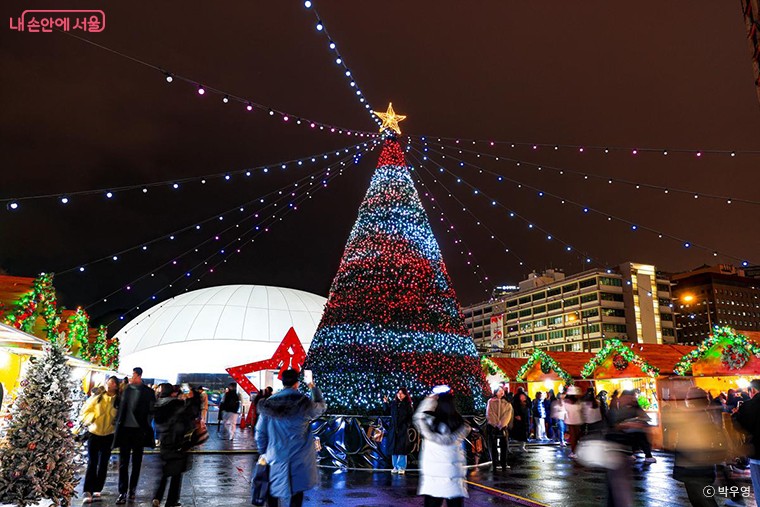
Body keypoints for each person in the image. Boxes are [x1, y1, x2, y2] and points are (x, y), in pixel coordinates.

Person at [255, 368, 326, 507]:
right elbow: (321, 407)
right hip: (299, 457)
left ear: (282, 382)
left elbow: (260, 432)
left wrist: (263, 452)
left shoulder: (269, 403)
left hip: (275, 454)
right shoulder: (304, 403)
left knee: (272, 489)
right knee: (296, 492)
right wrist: (312, 387)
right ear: (297, 383)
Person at [413, 390, 471, 507]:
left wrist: (429, 400)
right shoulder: (460, 425)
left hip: (433, 480)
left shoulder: (430, 424)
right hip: (453, 478)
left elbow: (418, 417)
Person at [672, 387, 727, 507]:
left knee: (702, 500)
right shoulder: (707, 415)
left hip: (693, 466)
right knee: (702, 499)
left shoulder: (693, 416)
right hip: (703, 465)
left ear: (690, 400)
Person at [113, 367, 155, 504]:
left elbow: (151, 410)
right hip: (125, 430)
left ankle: (132, 489)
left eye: (133, 375)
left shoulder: (148, 392)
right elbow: (117, 406)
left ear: (138, 375)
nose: (131, 377)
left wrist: (146, 424)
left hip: (139, 431)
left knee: (137, 462)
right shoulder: (126, 390)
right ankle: (122, 492)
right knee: (123, 463)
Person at [153, 383, 195, 507]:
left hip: (164, 441)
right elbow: (189, 419)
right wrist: (188, 400)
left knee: (164, 472)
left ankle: (157, 497)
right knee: (176, 474)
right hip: (177, 442)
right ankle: (171, 501)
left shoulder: (158, 405)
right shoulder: (177, 404)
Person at [80, 376, 119, 503]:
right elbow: (84, 412)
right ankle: (88, 490)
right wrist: (92, 417)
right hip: (94, 433)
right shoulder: (97, 398)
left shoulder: (118, 401)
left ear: (116, 386)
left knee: (103, 463)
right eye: (108, 382)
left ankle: (98, 488)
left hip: (109, 434)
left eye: (112, 383)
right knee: (92, 462)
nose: (109, 385)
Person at [734, 378, 760, 501]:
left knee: (759, 486)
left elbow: (740, 427)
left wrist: (735, 415)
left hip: (756, 452)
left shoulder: (749, 406)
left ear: (752, 390)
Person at [384, 387, 413, 474]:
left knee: (402, 447)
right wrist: (385, 403)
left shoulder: (408, 404)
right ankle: (395, 466)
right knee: (394, 447)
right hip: (393, 428)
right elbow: (387, 411)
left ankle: (401, 467)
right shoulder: (393, 403)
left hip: (402, 428)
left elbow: (410, 417)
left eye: (402, 393)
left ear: (405, 395)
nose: (400, 395)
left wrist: (406, 425)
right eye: (398, 393)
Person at [486, 387, 513, 471]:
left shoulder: (507, 403)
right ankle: (495, 463)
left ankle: (503, 463)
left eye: (502, 391)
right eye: (500, 391)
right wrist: (495, 423)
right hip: (493, 427)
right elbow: (489, 413)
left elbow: (508, 414)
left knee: (504, 445)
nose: (501, 392)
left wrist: (502, 424)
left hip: (503, 427)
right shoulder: (491, 401)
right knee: (493, 446)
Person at [564, 386, 583, 459]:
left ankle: (574, 452)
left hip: (571, 421)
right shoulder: (578, 402)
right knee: (577, 436)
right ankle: (578, 451)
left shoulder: (567, 403)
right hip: (578, 421)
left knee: (573, 437)